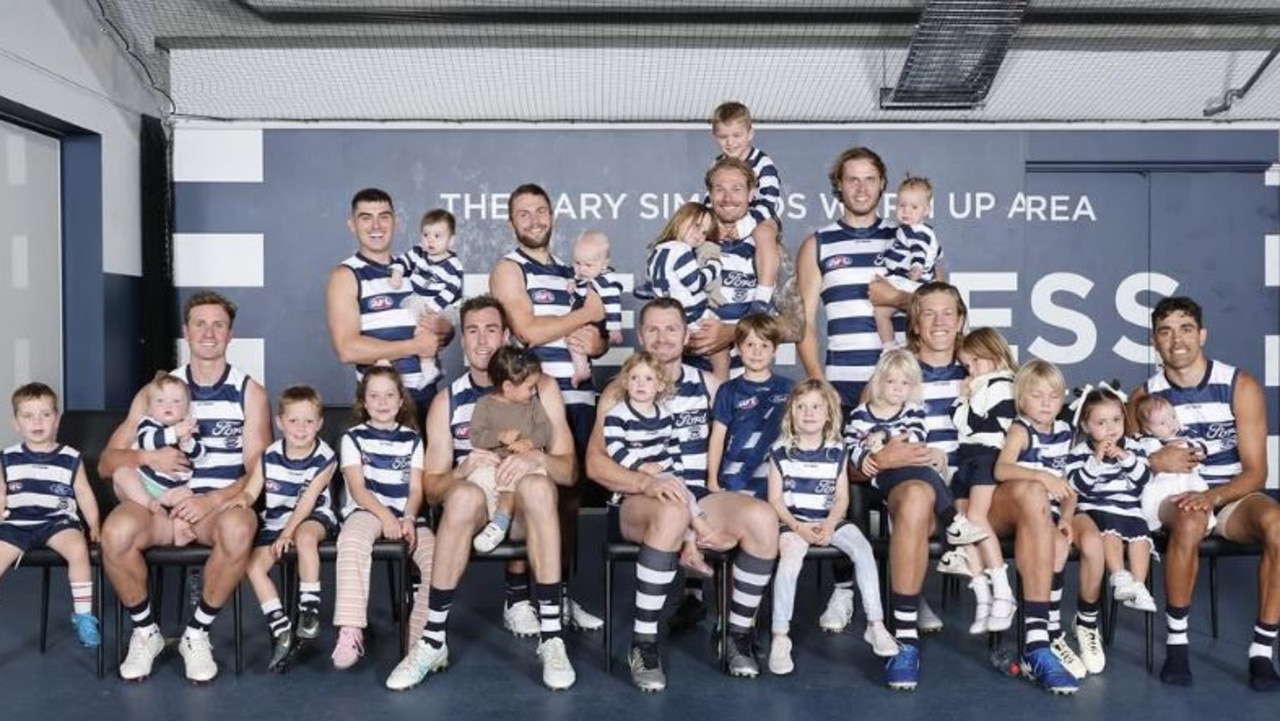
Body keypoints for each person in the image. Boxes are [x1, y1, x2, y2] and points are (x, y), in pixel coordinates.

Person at [385, 295, 581, 692]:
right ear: (462, 341)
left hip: (525, 510)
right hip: (477, 507)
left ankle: (551, 638)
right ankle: (432, 640)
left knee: (540, 487)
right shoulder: (447, 400)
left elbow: (569, 470)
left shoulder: (540, 389)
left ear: (507, 336)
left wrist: (536, 461)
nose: (481, 340)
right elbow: (434, 488)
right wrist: (462, 468)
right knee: (460, 496)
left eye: (491, 329)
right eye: (472, 330)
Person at [586, 297, 780, 690]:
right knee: (673, 511)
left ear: (685, 334)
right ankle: (643, 643)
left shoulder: (708, 386)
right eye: (653, 329)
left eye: (671, 328)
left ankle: (736, 634)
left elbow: (734, 448)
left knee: (761, 518)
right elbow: (594, 464)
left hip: (697, 495)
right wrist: (646, 482)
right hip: (639, 501)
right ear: (640, 336)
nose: (662, 337)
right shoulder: (622, 391)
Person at [100, 291, 272, 683]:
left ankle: (197, 634)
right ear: (185, 331)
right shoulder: (157, 391)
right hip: (158, 506)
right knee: (115, 533)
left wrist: (212, 499)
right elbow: (109, 462)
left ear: (231, 334)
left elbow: (260, 471)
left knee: (241, 527)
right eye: (200, 323)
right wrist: (150, 459)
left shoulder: (250, 393)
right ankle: (146, 632)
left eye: (218, 325)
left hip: (214, 509)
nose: (209, 333)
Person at [1127, 296, 1280, 691]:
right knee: (1191, 519)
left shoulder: (1238, 384)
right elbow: (1122, 468)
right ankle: (1177, 645)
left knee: (1278, 526)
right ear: (1153, 342)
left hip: (1228, 496)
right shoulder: (1143, 397)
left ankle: (1262, 651)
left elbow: (1257, 473)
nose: (1176, 339)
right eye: (1165, 331)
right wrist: (1153, 462)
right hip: (1172, 497)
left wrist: (1213, 497)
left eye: (1186, 329)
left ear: (1202, 334)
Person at [490, 184, 606, 632]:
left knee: (569, 501)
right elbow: (529, 330)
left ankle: (556, 593)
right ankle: (517, 598)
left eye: (541, 210)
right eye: (524, 213)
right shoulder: (508, 268)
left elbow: (592, 333)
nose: (535, 219)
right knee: (529, 493)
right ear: (512, 221)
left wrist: (595, 340)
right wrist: (585, 315)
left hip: (577, 398)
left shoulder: (569, 270)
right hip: (533, 401)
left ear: (553, 214)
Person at [767, 379, 897, 676]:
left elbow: (841, 498)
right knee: (789, 563)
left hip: (830, 521)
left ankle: (875, 624)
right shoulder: (780, 451)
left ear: (828, 414)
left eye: (816, 407)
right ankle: (780, 635)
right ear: (791, 414)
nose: (809, 413)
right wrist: (797, 527)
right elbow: (774, 500)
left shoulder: (837, 450)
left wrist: (829, 524)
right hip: (794, 524)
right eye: (801, 407)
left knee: (862, 548)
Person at [331, 366, 434, 672]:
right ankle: (350, 631)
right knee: (351, 540)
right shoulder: (353, 438)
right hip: (368, 511)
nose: (382, 401)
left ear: (401, 400)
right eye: (374, 395)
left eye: (390, 395)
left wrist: (409, 518)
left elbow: (416, 489)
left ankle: (418, 640)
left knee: (438, 560)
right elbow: (358, 489)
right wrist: (386, 516)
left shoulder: (413, 440)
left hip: (405, 516)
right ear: (363, 401)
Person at [995, 358, 1086, 685]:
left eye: (1053, 395)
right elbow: (1002, 469)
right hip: (1019, 507)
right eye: (1037, 395)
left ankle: (1049, 628)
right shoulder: (1021, 430)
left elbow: (1068, 486)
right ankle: (1037, 640)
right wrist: (1040, 476)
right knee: (1035, 495)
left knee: (1060, 546)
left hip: (1050, 514)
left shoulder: (1065, 433)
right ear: (1022, 400)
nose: (1047, 403)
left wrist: (1067, 517)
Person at [602, 351, 731, 578]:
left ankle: (690, 550)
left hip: (664, 474)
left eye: (648, 379)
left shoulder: (665, 414)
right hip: (637, 479)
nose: (641, 384)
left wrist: (678, 475)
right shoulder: (617, 414)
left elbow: (672, 448)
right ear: (625, 382)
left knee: (684, 494)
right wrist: (641, 466)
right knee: (679, 500)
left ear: (660, 385)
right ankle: (702, 529)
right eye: (635, 378)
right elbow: (615, 449)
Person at [327, 188, 449, 427]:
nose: (376, 226)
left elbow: (442, 331)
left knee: (433, 466)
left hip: (427, 399)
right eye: (366, 217)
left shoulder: (417, 269)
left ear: (396, 222)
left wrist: (444, 328)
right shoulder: (346, 275)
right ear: (352, 224)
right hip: (381, 408)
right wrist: (413, 346)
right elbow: (347, 349)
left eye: (384, 216)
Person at [845, 350, 987, 548]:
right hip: (885, 476)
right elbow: (851, 443)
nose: (898, 389)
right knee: (924, 472)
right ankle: (954, 522)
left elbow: (915, 436)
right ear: (878, 382)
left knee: (926, 471)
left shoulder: (913, 410)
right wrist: (864, 458)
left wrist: (883, 435)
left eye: (905, 383)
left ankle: (955, 539)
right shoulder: (861, 413)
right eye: (891, 382)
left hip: (912, 468)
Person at [241, 385, 338, 673]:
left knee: (305, 537)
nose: (301, 428)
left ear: (319, 424)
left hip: (313, 518)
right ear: (280, 422)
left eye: (309, 421)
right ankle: (280, 625)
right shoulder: (268, 455)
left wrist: (288, 533)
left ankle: (308, 610)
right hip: (275, 522)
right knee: (254, 567)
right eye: (293, 421)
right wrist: (239, 501)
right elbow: (251, 492)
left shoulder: (325, 456)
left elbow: (308, 500)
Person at [796, 146, 900, 417]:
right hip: (842, 386)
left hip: (899, 385)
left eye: (870, 179)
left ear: (882, 184)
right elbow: (803, 323)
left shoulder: (907, 239)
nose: (861, 188)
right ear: (839, 185)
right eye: (853, 180)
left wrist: (896, 298)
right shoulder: (817, 244)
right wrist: (821, 385)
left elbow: (933, 307)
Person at [1064, 386, 1156, 677]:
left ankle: (1137, 585)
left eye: (1116, 420)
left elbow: (1143, 481)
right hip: (1096, 510)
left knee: (1140, 538)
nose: (1110, 429)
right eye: (1100, 423)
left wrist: (1125, 458)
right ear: (1085, 426)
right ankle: (1118, 576)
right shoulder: (1080, 453)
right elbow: (1077, 487)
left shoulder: (1135, 447)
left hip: (1129, 509)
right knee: (1111, 536)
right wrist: (1097, 461)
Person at [1, 382, 102, 648]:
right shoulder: (6, 458)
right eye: (28, 416)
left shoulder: (70, 458)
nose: (37, 422)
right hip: (16, 525)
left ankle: (83, 616)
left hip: (58, 523)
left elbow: (84, 494)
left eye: (45, 414)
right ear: (16, 423)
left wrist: (94, 524)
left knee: (78, 550)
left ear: (56, 419)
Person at [945, 327, 1018, 635]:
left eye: (975, 362)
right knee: (963, 522)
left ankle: (1003, 590)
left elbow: (988, 425)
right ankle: (983, 597)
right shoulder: (979, 385)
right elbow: (960, 423)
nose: (970, 370)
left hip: (988, 457)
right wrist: (965, 401)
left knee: (975, 517)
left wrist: (965, 399)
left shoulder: (1005, 384)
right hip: (967, 457)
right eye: (967, 365)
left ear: (996, 356)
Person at [468, 347, 556, 553]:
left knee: (529, 479)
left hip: (526, 466)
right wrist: (498, 436)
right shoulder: (485, 405)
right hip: (495, 466)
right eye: (530, 387)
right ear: (507, 386)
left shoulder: (533, 404)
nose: (534, 392)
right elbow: (476, 436)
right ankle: (495, 518)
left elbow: (546, 429)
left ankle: (501, 520)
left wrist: (530, 443)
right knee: (478, 478)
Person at [707, 313, 794, 498]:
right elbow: (717, 438)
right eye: (750, 345)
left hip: (775, 478)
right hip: (735, 478)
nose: (757, 352)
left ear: (775, 350)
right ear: (738, 348)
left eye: (764, 345)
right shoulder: (728, 390)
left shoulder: (788, 388)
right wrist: (712, 480)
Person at [707, 101, 783, 310]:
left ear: (750, 133)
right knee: (693, 225)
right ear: (715, 137)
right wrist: (711, 223)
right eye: (723, 137)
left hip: (761, 215)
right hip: (726, 216)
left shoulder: (763, 163)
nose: (730, 142)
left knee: (765, 232)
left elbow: (768, 200)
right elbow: (711, 199)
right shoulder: (716, 164)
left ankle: (762, 296)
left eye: (737, 135)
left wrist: (745, 224)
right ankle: (668, 278)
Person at [641, 202, 728, 378]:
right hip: (692, 315)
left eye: (704, 232)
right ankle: (721, 395)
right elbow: (695, 283)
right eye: (696, 226)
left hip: (669, 315)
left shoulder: (657, 250)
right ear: (680, 220)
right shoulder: (681, 250)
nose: (700, 235)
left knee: (669, 362)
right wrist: (715, 266)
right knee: (721, 350)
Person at [120, 372, 205, 547]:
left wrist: (187, 441)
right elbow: (148, 442)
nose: (168, 406)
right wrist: (174, 432)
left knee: (188, 498)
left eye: (176, 402)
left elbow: (200, 454)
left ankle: (180, 529)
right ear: (150, 408)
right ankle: (149, 503)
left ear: (186, 409)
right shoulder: (148, 423)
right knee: (122, 474)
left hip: (173, 488)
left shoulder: (187, 427)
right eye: (160, 401)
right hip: (145, 481)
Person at [387, 208, 465, 389]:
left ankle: (428, 367)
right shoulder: (418, 252)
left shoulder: (454, 265)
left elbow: (452, 290)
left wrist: (434, 307)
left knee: (422, 332)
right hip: (419, 298)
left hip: (441, 305)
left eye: (437, 236)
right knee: (405, 326)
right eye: (426, 234)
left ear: (451, 240)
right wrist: (397, 273)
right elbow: (403, 261)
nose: (430, 240)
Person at [873, 177, 945, 351]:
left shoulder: (915, 231)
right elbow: (937, 253)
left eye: (914, 207)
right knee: (917, 321)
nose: (906, 211)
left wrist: (917, 267)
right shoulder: (924, 231)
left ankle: (889, 348)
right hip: (916, 283)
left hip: (910, 282)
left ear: (926, 210)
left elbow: (918, 250)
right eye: (901, 206)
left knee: (881, 313)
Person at [1132, 395, 1214, 534]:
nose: (1171, 425)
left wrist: (1194, 450)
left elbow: (1201, 451)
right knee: (1150, 495)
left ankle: (1208, 523)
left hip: (1188, 479)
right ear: (1148, 430)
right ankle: (1153, 524)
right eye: (1162, 423)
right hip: (1163, 484)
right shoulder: (1147, 443)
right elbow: (1142, 459)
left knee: (1201, 489)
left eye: (1173, 417)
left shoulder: (1186, 437)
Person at [569, 230, 625, 387]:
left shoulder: (606, 282)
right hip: (582, 317)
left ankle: (581, 370)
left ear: (604, 264)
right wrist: (572, 283)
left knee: (576, 340)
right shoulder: (585, 276)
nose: (582, 269)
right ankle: (581, 369)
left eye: (588, 265)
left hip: (596, 321)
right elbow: (578, 282)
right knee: (573, 341)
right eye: (577, 263)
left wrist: (614, 328)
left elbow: (613, 304)